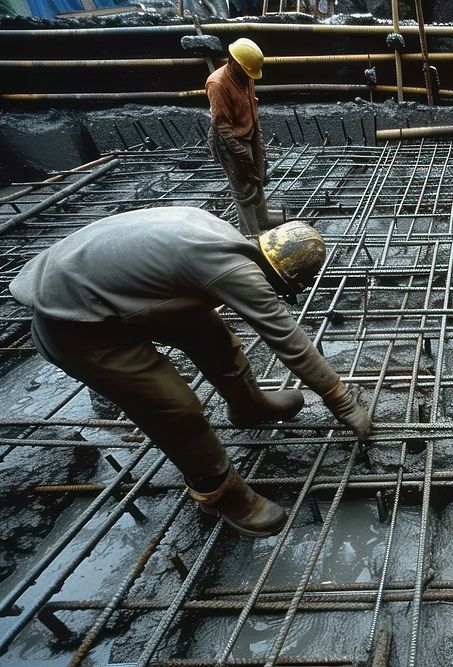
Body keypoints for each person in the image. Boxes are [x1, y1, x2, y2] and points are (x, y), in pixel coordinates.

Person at [10, 208, 373, 537]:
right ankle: (219, 492)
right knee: (173, 407)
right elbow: (286, 337)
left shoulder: (223, 238)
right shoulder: (235, 270)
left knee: (214, 337)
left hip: (107, 290)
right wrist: (341, 400)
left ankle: (250, 406)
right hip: (73, 323)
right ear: (284, 279)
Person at [206, 37, 280, 237]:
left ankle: (262, 218)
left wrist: (259, 150)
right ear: (233, 61)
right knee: (243, 187)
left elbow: (252, 110)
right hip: (229, 139)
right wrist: (243, 157)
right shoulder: (218, 83)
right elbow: (223, 127)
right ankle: (250, 234)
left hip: (249, 132)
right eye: (247, 71)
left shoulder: (245, 75)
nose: (250, 76)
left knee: (259, 176)